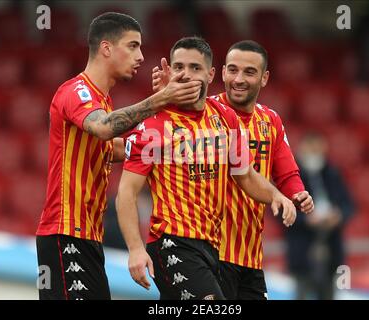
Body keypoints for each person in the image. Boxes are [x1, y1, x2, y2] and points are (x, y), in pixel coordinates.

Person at [35, 12, 202, 300]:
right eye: (133, 45)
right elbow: (103, 128)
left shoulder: (102, 100)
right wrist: (160, 99)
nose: (140, 56)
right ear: (106, 48)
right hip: (64, 234)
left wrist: (165, 118)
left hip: (87, 236)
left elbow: (116, 147)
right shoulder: (77, 92)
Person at [116, 36, 297, 300]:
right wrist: (135, 248)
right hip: (172, 244)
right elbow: (127, 193)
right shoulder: (154, 125)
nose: (185, 75)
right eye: (179, 67)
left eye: (195, 68)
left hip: (213, 249)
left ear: (211, 74)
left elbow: (245, 175)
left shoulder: (225, 117)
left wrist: (276, 196)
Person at [284, 132, 355, 300]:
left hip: (331, 246)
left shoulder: (333, 173)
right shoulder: (289, 175)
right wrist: (306, 219)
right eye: (312, 149)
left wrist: (338, 216)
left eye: (319, 150)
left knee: (328, 294)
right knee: (302, 292)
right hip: (303, 247)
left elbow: (348, 205)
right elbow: (280, 209)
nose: (316, 154)